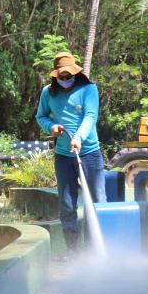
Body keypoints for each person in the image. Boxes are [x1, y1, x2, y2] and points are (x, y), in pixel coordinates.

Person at [35, 52, 106, 253]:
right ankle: (74, 252)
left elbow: (90, 115)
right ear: (55, 75)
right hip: (63, 157)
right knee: (67, 206)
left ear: (76, 73)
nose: (65, 80)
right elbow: (41, 116)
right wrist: (51, 127)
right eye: (62, 77)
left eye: (69, 76)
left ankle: (96, 251)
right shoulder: (48, 93)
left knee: (98, 201)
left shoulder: (88, 89)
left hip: (89, 154)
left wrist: (79, 138)